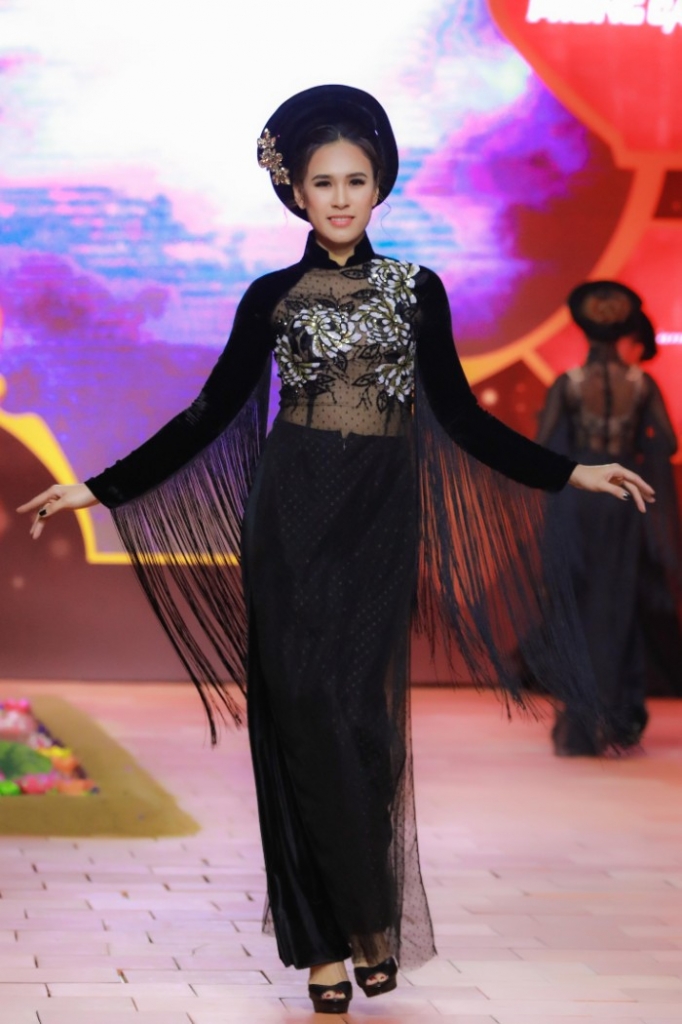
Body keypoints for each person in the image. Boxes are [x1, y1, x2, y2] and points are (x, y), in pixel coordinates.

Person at [18, 87, 654, 1013]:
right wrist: (99, 487)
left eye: (357, 180)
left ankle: (365, 920)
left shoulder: (418, 291)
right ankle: (329, 944)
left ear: (380, 185)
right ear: (298, 194)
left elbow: (464, 419)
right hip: (290, 522)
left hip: (377, 526)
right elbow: (208, 414)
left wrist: (571, 472)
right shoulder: (271, 298)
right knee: (303, 719)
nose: (342, 198)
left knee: (361, 726)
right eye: (324, 183)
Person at [537, 281, 682, 755]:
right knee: (616, 606)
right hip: (623, 499)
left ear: (583, 328)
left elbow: (544, 445)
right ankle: (616, 716)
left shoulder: (569, 383)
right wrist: (633, 451)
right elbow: (667, 442)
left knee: (577, 604)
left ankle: (580, 721)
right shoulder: (641, 384)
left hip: (579, 500)